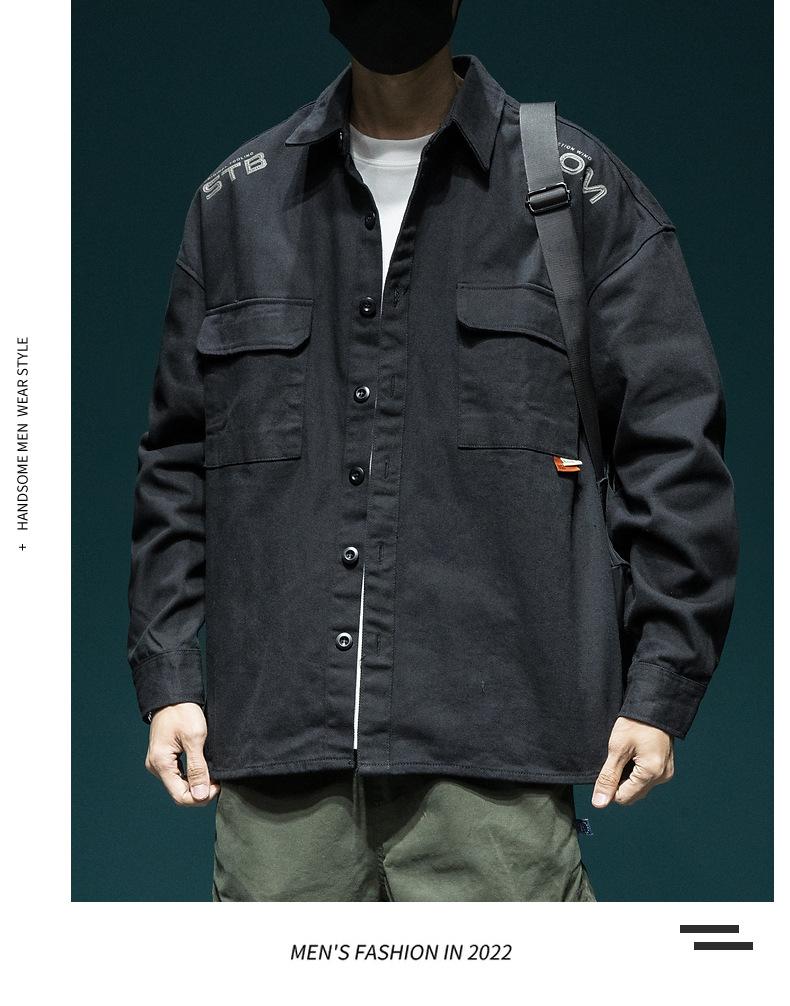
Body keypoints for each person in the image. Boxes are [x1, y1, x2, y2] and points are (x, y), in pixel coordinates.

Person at [127, 0, 739, 901]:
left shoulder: (577, 193)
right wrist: (171, 677)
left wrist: (662, 684)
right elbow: (176, 466)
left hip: (495, 757)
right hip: (280, 770)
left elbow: (673, 454)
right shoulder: (238, 203)